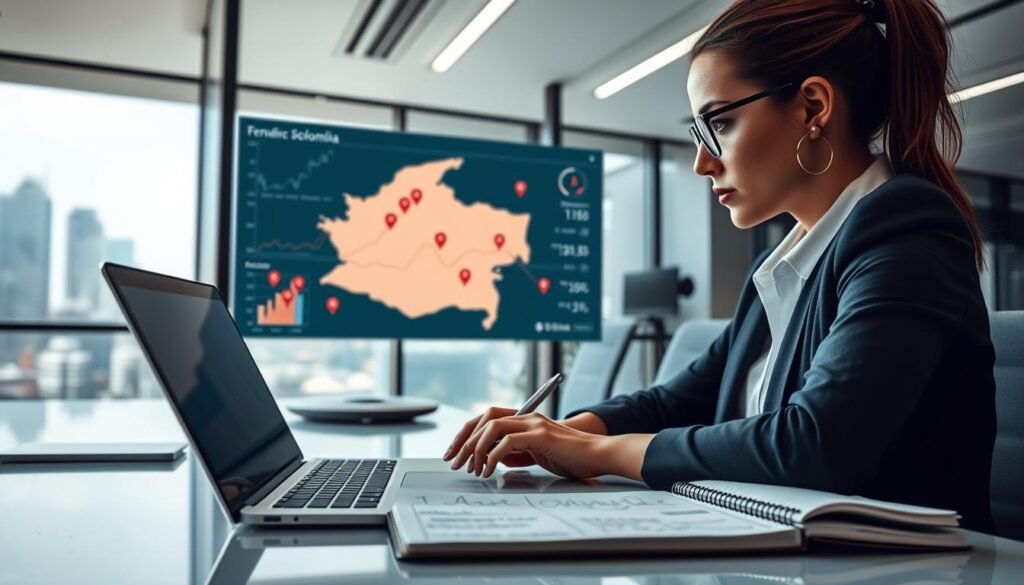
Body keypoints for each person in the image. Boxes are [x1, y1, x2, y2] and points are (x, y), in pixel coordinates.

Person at [442, 0, 996, 531]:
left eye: (719, 125)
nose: (703, 163)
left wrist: (598, 451)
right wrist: (562, 430)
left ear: (812, 107)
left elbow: (817, 444)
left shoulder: (907, 226)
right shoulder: (785, 267)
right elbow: (680, 399)